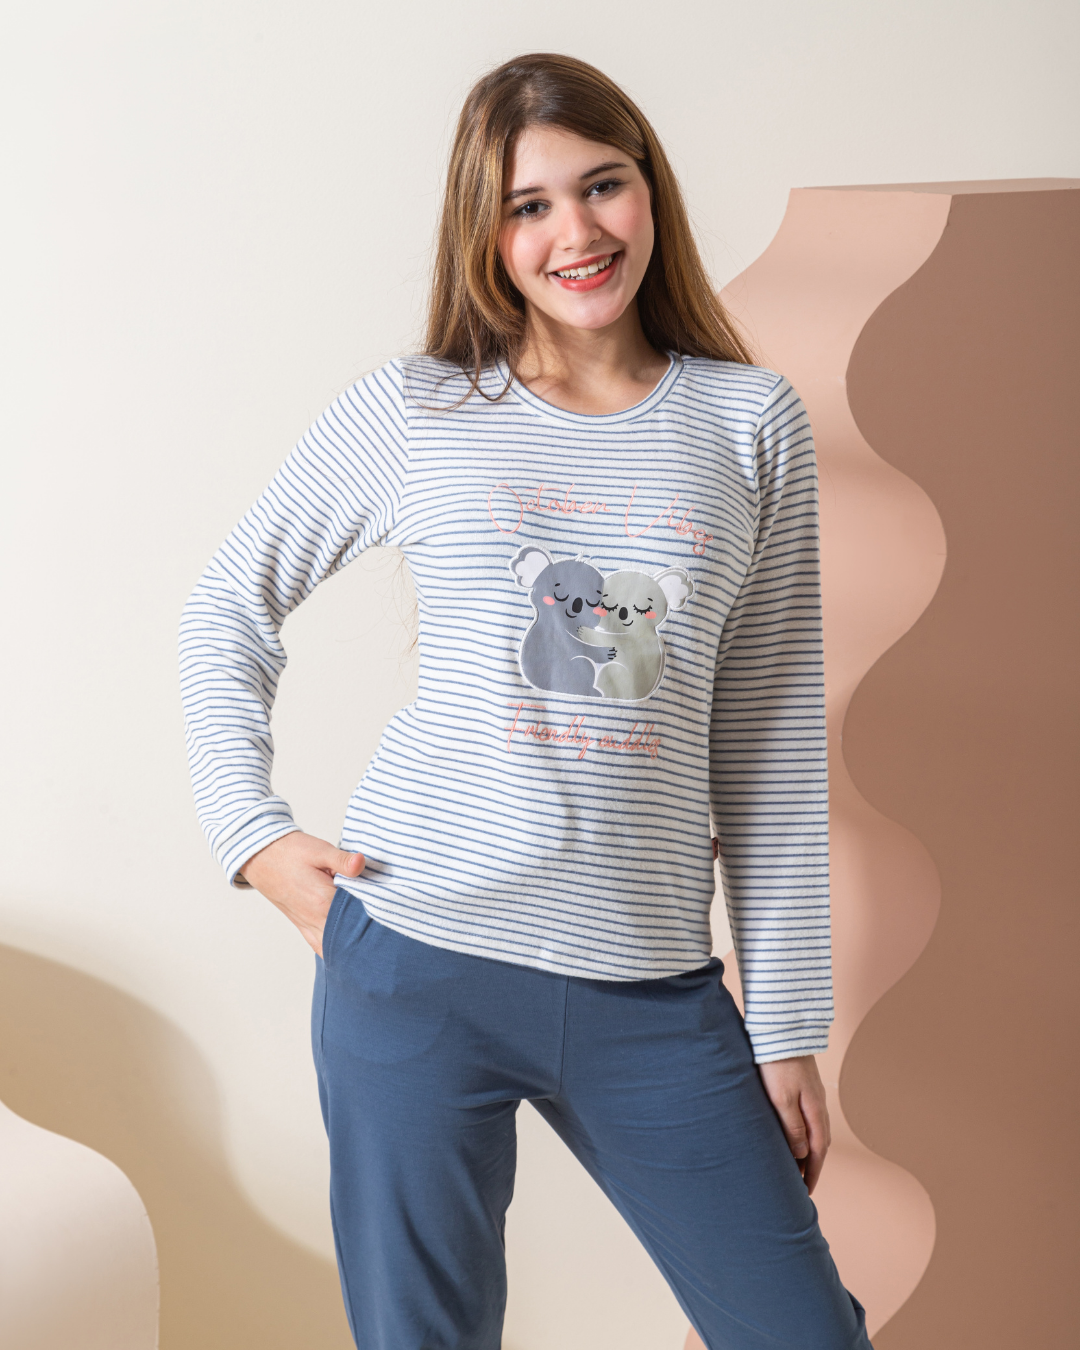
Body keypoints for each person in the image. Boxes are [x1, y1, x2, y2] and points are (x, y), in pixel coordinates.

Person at [179, 51, 873, 1350]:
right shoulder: (418, 408)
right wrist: (254, 838)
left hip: (650, 991)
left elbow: (767, 735)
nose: (576, 232)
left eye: (602, 185)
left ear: (649, 189)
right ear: (484, 232)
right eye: (529, 206)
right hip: (416, 958)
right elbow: (225, 605)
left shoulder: (748, 421)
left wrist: (784, 1026)